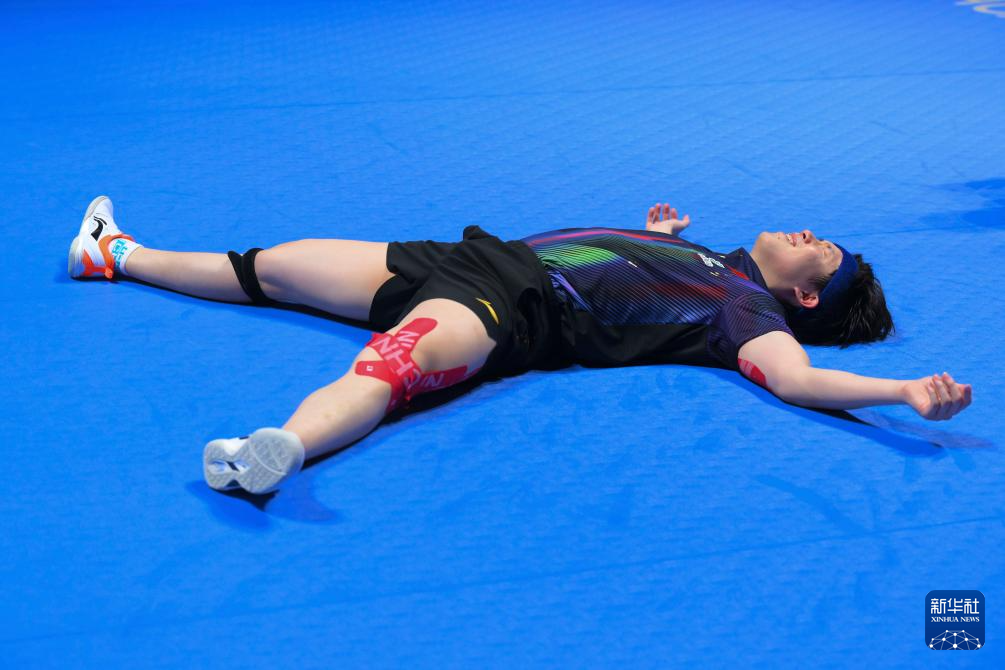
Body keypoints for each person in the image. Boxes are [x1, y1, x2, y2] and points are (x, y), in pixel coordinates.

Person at [68, 196, 973, 494]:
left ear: (804, 295)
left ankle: (277, 451)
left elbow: (796, 378)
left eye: (822, 252)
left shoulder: (747, 313)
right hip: (468, 257)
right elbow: (635, 263)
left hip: (510, 305)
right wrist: (656, 234)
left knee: (391, 366)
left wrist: (899, 394)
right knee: (273, 266)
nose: (809, 233)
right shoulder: (713, 259)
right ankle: (115, 253)